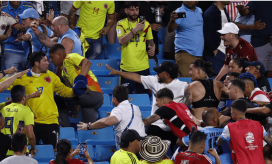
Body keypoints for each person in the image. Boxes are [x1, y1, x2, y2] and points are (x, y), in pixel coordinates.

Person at [106, 61, 188, 150]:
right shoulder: (154, 81)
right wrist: (117, 72)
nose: (157, 74)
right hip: (156, 125)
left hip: (174, 126)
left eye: (159, 72)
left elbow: (187, 106)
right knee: (145, 148)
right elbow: (136, 77)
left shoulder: (184, 87)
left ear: (167, 75)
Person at [10, 51, 76, 150]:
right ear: (36, 63)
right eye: (45, 60)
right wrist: (6, 74)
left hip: (51, 121)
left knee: (53, 152)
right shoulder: (22, 77)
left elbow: (64, 91)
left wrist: (77, 91)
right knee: (27, 152)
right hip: (30, 122)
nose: (48, 62)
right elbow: (3, 85)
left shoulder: (51, 76)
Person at [77, 85, 146, 149]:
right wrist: (115, 116)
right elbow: (138, 116)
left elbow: (106, 122)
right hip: (143, 143)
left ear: (114, 99)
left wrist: (89, 126)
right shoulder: (136, 107)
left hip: (130, 146)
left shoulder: (118, 110)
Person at [49, 44, 103, 124]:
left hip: (90, 92)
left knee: (57, 98)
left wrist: (81, 82)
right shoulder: (64, 71)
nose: (50, 60)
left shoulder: (70, 57)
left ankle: (65, 126)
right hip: (94, 99)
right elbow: (71, 91)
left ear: (59, 55)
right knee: (88, 127)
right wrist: (76, 104)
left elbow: (87, 62)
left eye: (51, 57)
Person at [116, 2, 155, 94]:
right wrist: (134, 30)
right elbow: (121, 41)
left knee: (144, 98)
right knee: (124, 98)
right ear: (126, 10)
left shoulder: (146, 24)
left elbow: (151, 42)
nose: (135, 12)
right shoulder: (121, 24)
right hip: (127, 68)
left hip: (144, 67)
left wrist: (152, 48)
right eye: (132, 10)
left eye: (137, 9)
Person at [217, 99, 272, 164]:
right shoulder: (258, 125)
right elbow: (270, 141)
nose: (231, 113)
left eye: (230, 111)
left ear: (234, 112)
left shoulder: (229, 127)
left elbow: (219, 142)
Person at [0, 85, 40, 156]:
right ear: (24, 98)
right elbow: (30, 135)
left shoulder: (2, 110)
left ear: (11, 98)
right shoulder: (27, 111)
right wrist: (33, 148)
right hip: (20, 151)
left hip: (4, 151)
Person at [168, 1, 204, 77]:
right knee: (187, 82)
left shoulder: (199, 11)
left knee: (198, 83)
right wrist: (172, 20)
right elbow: (171, 29)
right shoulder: (179, 12)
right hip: (185, 53)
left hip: (199, 54)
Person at [236, 2, 272, 78]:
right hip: (260, 42)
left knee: (270, 72)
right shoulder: (256, 2)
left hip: (267, 42)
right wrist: (242, 10)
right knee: (256, 72)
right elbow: (244, 12)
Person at [1, 1, 36, 71]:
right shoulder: (2, 8)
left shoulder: (29, 6)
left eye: (25, 18)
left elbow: (38, 24)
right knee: (10, 78)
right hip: (10, 49)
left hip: (28, 50)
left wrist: (14, 23)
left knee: (29, 78)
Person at [203, 1, 230, 76]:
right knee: (217, 79)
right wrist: (214, 50)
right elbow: (207, 34)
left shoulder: (224, 11)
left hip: (224, 51)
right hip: (215, 53)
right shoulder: (210, 13)